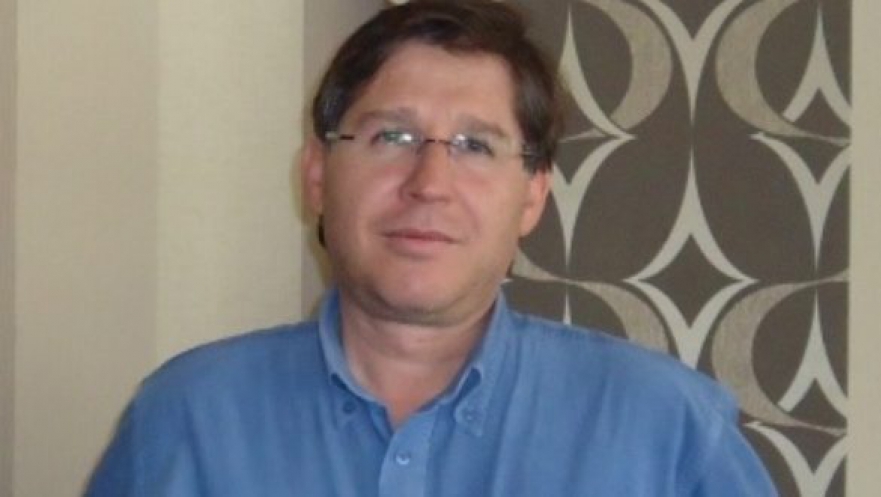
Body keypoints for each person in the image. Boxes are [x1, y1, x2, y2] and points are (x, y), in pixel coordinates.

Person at [86, 1, 777, 495]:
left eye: (476, 145)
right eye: (393, 137)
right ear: (318, 175)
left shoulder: (669, 433)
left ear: (532, 195)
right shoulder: (188, 419)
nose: (430, 183)